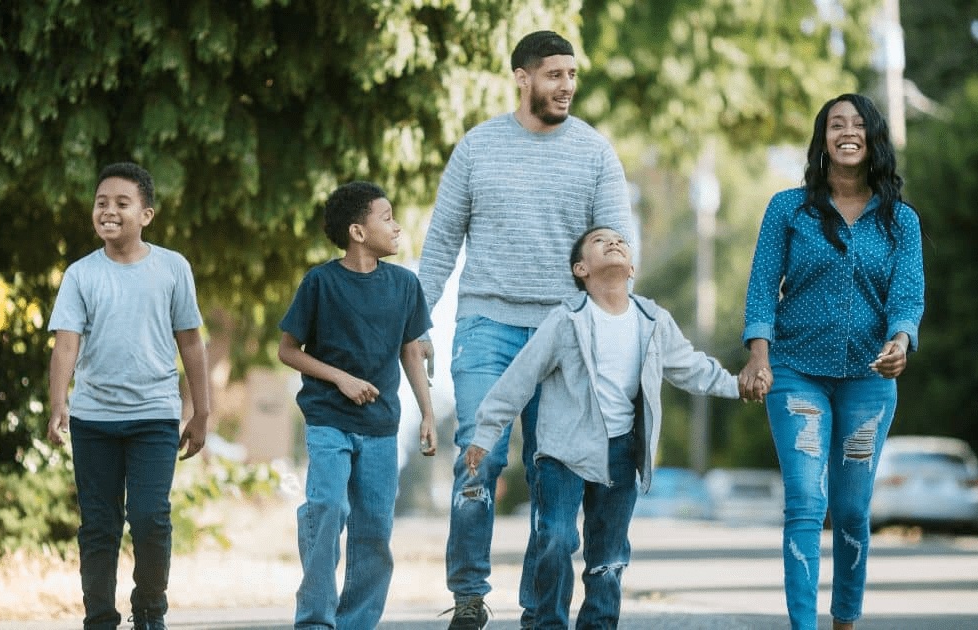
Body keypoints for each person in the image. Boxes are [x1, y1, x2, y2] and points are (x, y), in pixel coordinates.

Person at [416, 30, 635, 630]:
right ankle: (468, 593)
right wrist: (418, 318)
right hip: (487, 324)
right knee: (478, 459)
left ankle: (541, 613)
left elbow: (617, 252)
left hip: (567, 337)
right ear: (522, 77)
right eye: (553, 74)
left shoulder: (595, 154)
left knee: (553, 478)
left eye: (571, 75)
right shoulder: (477, 148)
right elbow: (440, 244)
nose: (566, 86)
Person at [464, 226, 743, 629]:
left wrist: (738, 386)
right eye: (599, 241)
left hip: (621, 451)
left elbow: (692, 368)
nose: (613, 243)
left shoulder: (652, 321)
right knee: (556, 539)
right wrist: (485, 434)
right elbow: (520, 377)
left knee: (609, 556)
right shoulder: (566, 321)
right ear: (581, 269)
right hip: (563, 452)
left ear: (631, 266)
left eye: (620, 241)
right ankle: (547, 623)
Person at [738, 93, 925, 630]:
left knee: (849, 511)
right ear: (822, 139)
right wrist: (759, 356)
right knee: (804, 502)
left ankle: (845, 620)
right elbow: (760, 289)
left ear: (873, 138)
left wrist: (901, 341)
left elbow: (907, 296)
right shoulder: (787, 208)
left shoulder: (899, 221)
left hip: (869, 378)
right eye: (835, 124)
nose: (848, 132)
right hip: (795, 372)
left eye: (858, 124)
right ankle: (803, 624)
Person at [47, 162, 211, 630]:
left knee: (151, 518)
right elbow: (65, 343)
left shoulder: (172, 268)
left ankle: (149, 611)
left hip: (155, 418)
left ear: (147, 215)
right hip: (94, 419)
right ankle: (99, 618)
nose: (109, 211)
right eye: (102, 203)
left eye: (122, 203)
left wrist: (202, 411)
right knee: (98, 527)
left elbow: (192, 343)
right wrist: (60, 402)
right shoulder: (81, 274)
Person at [277, 181, 436, 630]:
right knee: (327, 508)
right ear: (358, 232)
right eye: (386, 217)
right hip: (328, 418)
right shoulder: (320, 282)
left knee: (374, 533)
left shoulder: (405, 284)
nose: (397, 225)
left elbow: (410, 351)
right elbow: (288, 350)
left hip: (382, 427)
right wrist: (340, 378)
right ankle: (314, 620)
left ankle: (356, 623)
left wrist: (426, 412)